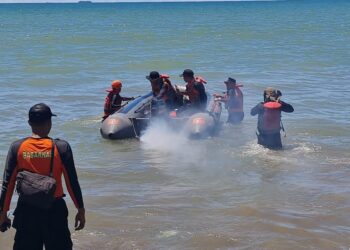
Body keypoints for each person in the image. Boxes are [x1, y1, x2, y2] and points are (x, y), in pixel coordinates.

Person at [0, 103, 85, 250]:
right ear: (49, 122)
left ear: (29, 123)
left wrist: (3, 212)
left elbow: (8, 184)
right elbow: (72, 182)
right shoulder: (61, 147)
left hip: (26, 210)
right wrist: (80, 209)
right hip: (55, 209)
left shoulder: (17, 147)